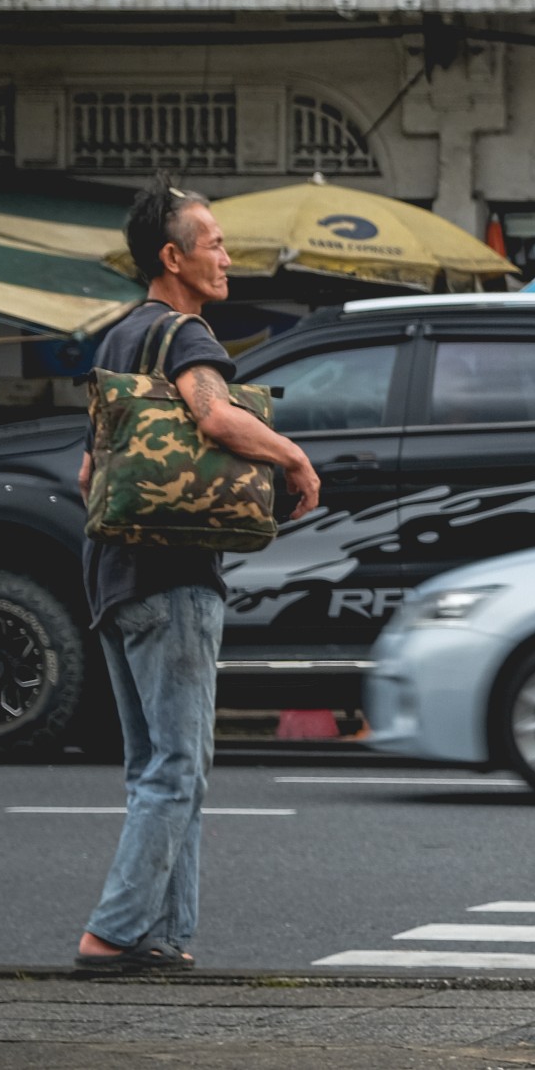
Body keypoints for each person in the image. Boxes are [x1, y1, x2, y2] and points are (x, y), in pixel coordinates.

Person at [74, 179, 320, 973]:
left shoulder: (117, 342)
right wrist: (293, 455)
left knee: (157, 766)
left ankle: (162, 932)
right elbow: (215, 415)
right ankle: (112, 930)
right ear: (172, 256)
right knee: (178, 764)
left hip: (113, 571)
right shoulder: (186, 336)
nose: (225, 255)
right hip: (174, 574)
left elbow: (89, 473)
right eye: (212, 242)